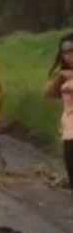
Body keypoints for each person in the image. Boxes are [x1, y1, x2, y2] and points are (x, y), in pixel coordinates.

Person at [44, 33, 73, 197]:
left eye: (71, 51)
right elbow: (48, 94)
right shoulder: (65, 76)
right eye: (65, 52)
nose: (69, 56)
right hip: (68, 131)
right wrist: (59, 79)